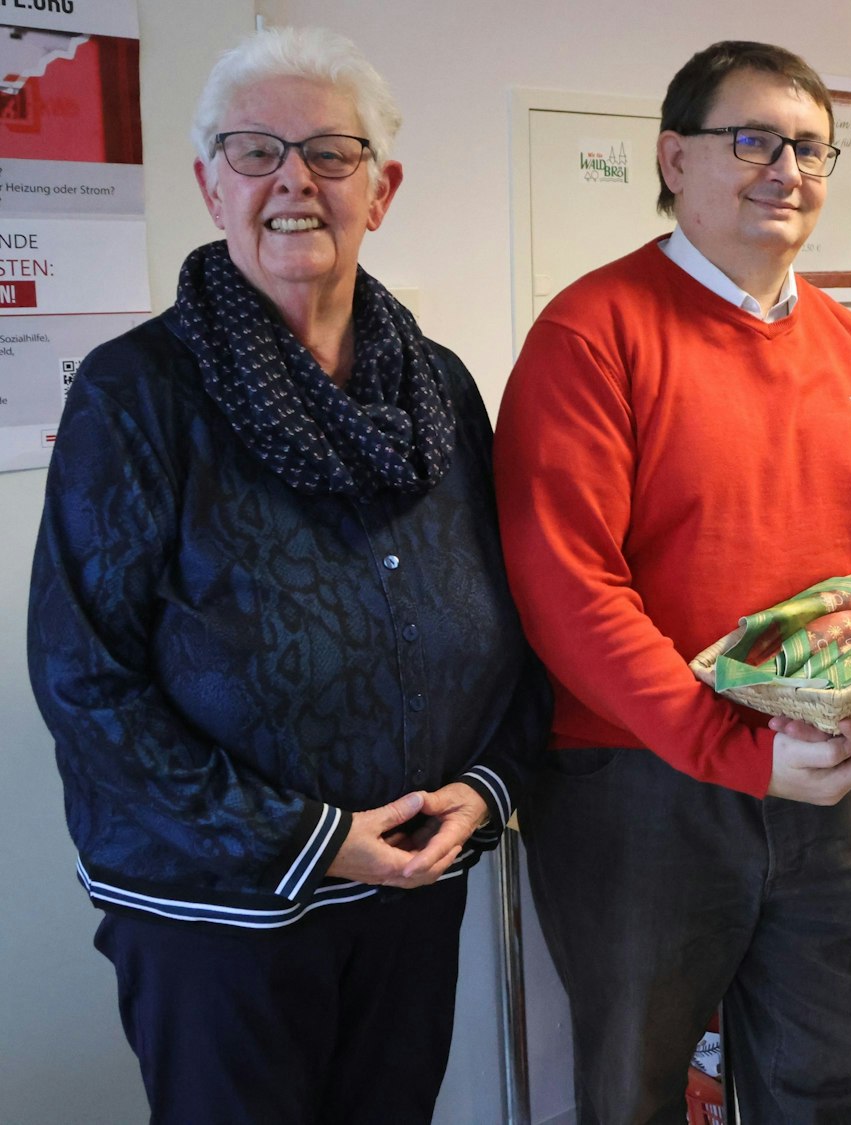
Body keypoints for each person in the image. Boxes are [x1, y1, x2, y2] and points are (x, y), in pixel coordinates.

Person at [26, 27, 544, 1123]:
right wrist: (308, 840)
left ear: (382, 188)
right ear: (211, 186)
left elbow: (512, 609)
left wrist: (484, 789)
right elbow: (84, 682)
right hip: (220, 910)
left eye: (329, 152)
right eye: (255, 152)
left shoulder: (440, 386)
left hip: (413, 880)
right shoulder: (137, 394)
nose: (293, 180)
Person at [493, 41, 851, 1123]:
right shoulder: (590, 335)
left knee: (829, 1080)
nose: (784, 168)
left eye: (808, 148)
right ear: (672, 159)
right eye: (752, 140)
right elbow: (569, 588)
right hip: (642, 790)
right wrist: (735, 746)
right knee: (636, 1089)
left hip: (833, 782)